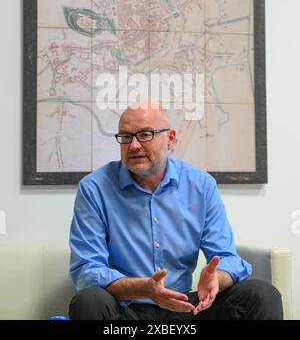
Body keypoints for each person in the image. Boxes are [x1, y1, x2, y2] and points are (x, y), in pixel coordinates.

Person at [68, 102, 283, 320]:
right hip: (126, 310)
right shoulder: (95, 188)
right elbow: (87, 270)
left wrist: (218, 277)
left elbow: (228, 258)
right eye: (125, 137)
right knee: (89, 300)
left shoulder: (200, 185)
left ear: (170, 139)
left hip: (185, 309)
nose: (133, 146)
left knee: (261, 295)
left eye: (145, 134)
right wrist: (145, 288)